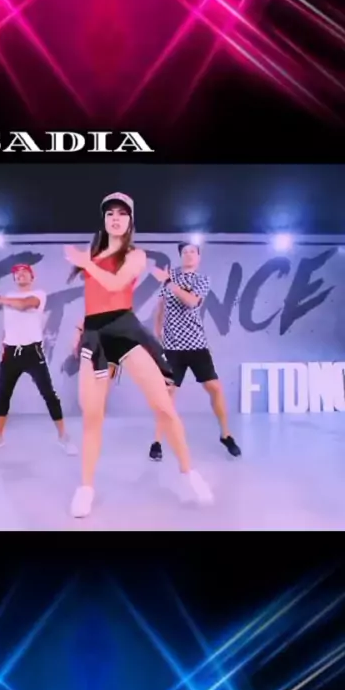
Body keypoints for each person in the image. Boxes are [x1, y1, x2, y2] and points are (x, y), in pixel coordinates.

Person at [64, 192, 213, 519]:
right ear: (104, 220)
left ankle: (189, 473)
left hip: (125, 330)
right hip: (95, 333)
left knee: (163, 406)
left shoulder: (135, 255)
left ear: (130, 221)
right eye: (110, 214)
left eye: (122, 213)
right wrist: (80, 327)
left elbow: (115, 284)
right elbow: (93, 296)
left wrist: (85, 263)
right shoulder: (94, 254)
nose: (115, 218)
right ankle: (86, 487)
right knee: (92, 415)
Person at [149, 242, 241, 462]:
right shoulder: (170, 277)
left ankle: (226, 435)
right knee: (167, 394)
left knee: (215, 388)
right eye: (185, 252)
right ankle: (157, 441)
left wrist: (169, 282)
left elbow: (191, 302)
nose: (189, 254)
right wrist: (157, 332)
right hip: (172, 347)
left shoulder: (201, 280)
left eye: (193, 251)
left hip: (196, 344)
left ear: (198, 257)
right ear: (180, 256)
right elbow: (160, 307)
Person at [0, 263, 77, 455]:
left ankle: (63, 437)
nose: (20, 275)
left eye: (25, 272)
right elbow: (8, 325)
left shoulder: (38, 294)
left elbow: (25, 305)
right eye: (17, 273)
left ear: (32, 277)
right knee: (3, 396)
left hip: (33, 353)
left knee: (49, 395)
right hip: (10, 353)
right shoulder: (9, 296)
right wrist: (2, 347)